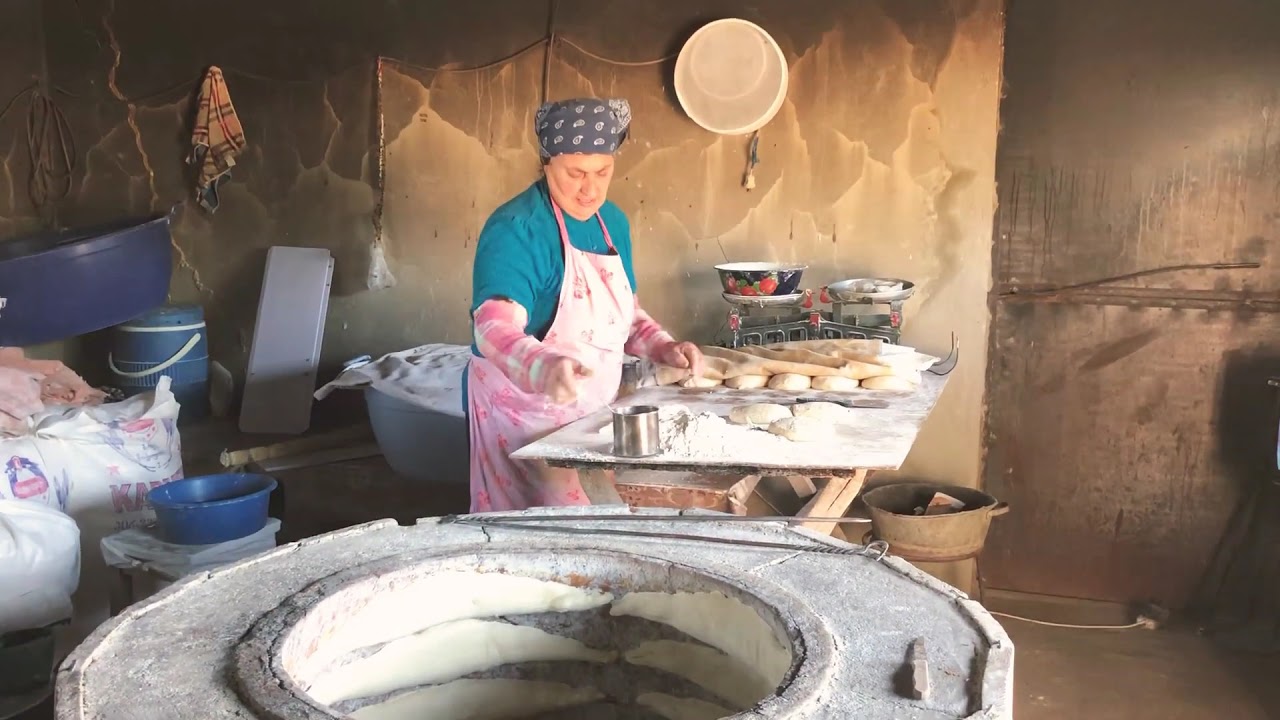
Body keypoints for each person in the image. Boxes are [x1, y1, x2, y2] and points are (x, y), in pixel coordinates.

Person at [465, 97, 703, 513]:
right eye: (575, 174)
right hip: (524, 416)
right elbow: (492, 328)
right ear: (546, 163)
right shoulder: (517, 229)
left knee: (589, 520)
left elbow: (624, 314)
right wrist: (542, 366)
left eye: (602, 172)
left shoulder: (612, 222)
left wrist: (664, 346)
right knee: (531, 530)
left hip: (589, 414)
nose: (590, 189)